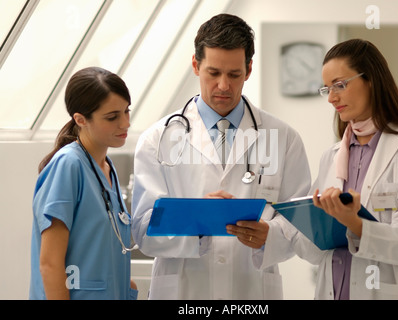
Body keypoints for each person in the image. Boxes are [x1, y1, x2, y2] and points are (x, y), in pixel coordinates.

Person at [131, 13, 311, 300]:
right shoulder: (158, 138)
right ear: (195, 65)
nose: (224, 86)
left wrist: (270, 235)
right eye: (213, 73)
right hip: (185, 293)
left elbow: (301, 222)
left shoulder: (283, 137)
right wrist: (197, 219)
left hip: (251, 294)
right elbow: (142, 230)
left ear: (249, 69)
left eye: (234, 74)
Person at [287, 39, 398, 299]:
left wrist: (355, 224)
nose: (332, 98)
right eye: (327, 89)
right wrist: (298, 225)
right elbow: (312, 251)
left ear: (371, 80)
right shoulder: (331, 156)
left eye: (340, 85)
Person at [30, 67, 138, 300]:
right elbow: (50, 264)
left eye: (126, 112)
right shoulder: (68, 166)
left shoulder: (107, 168)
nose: (125, 123)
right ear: (80, 119)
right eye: (112, 117)